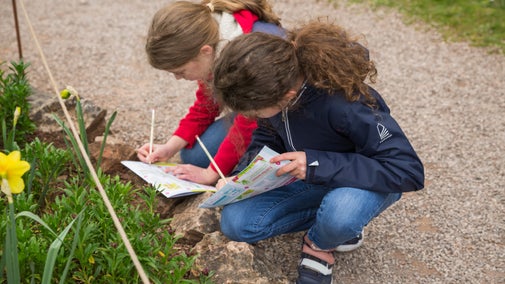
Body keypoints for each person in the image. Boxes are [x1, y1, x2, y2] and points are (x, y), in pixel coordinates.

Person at [212, 21, 425, 283]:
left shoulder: (345, 105)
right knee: (236, 223)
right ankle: (333, 225)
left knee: (341, 214)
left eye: (254, 112)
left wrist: (315, 163)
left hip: (363, 179)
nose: (250, 117)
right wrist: (244, 177)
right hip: (312, 176)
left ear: (287, 95)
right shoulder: (277, 86)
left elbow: (406, 170)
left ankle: (320, 242)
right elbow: (267, 135)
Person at [136, 0, 285, 185]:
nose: (178, 78)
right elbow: (206, 105)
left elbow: (249, 122)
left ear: (205, 51)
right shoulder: (213, 44)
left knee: (210, 164)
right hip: (256, 113)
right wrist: (168, 148)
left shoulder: (249, 57)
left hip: (289, 118)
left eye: (180, 71)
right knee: (193, 155)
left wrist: (212, 173)